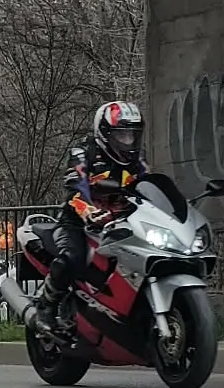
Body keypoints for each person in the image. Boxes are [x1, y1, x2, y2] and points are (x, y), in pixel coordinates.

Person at [32, 100, 150, 340]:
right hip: (79, 222)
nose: (128, 141)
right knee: (73, 258)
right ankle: (46, 306)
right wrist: (87, 210)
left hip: (123, 220)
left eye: (132, 135)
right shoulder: (83, 153)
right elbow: (76, 186)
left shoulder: (138, 160)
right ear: (105, 133)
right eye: (122, 135)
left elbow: (150, 185)